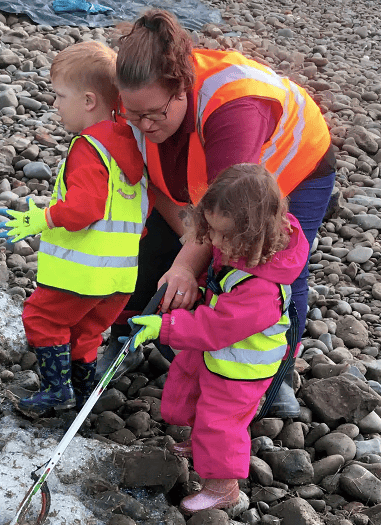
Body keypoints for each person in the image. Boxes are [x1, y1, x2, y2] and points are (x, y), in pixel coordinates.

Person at [96, 8, 337, 417]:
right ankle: (128, 336)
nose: (143, 125)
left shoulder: (233, 111)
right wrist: (184, 253)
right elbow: (158, 190)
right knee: (147, 237)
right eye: (133, 114)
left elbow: (228, 214)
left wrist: (188, 264)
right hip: (216, 188)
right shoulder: (138, 104)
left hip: (294, 171)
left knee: (266, 264)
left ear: (181, 90)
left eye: (154, 114)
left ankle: (272, 374)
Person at [124, 164, 309, 513]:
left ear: (257, 235)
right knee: (193, 393)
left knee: (220, 423)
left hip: (241, 370)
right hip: (223, 355)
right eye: (212, 231)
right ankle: (200, 444)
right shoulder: (247, 252)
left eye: (225, 236)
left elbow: (215, 326)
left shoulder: (261, 288)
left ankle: (223, 486)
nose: (215, 243)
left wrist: (163, 327)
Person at [0, 41, 149, 413]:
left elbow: (84, 209)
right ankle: (83, 393)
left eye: (60, 96)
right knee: (85, 332)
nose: (55, 105)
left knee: (41, 317)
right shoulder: (132, 146)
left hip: (80, 275)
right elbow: (141, 213)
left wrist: (41, 218)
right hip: (120, 278)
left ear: (89, 100)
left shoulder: (89, 147)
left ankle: (56, 391)